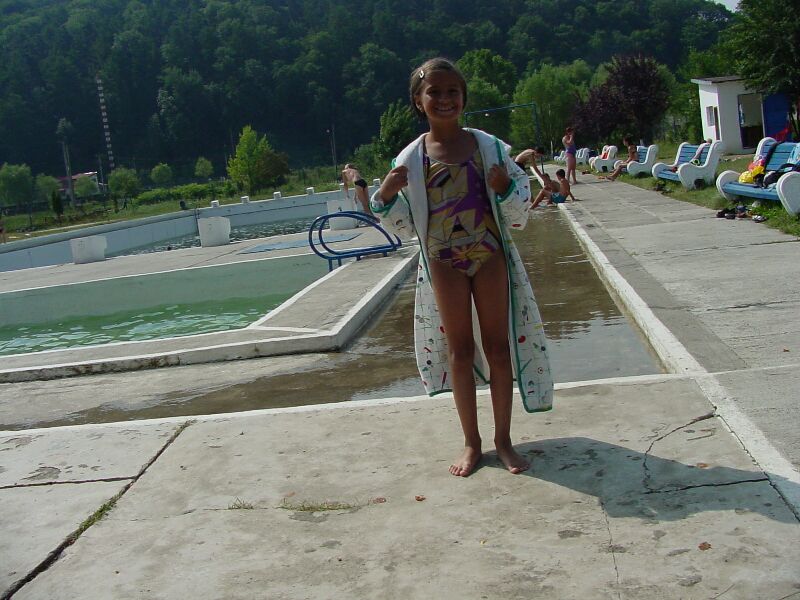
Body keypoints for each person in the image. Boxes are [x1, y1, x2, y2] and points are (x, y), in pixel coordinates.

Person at [371, 57, 553, 477]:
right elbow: (404, 224)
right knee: (459, 351)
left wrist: (504, 188)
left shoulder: (488, 147)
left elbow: (519, 208)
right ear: (418, 101)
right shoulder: (411, 158)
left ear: (464, 98)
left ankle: (503, 440)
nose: (444, 99)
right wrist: (386, 194)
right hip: (443, 261)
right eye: (433, 92)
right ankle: (472, 442)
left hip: (489, 255)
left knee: (498, 347)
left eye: (452, 91)